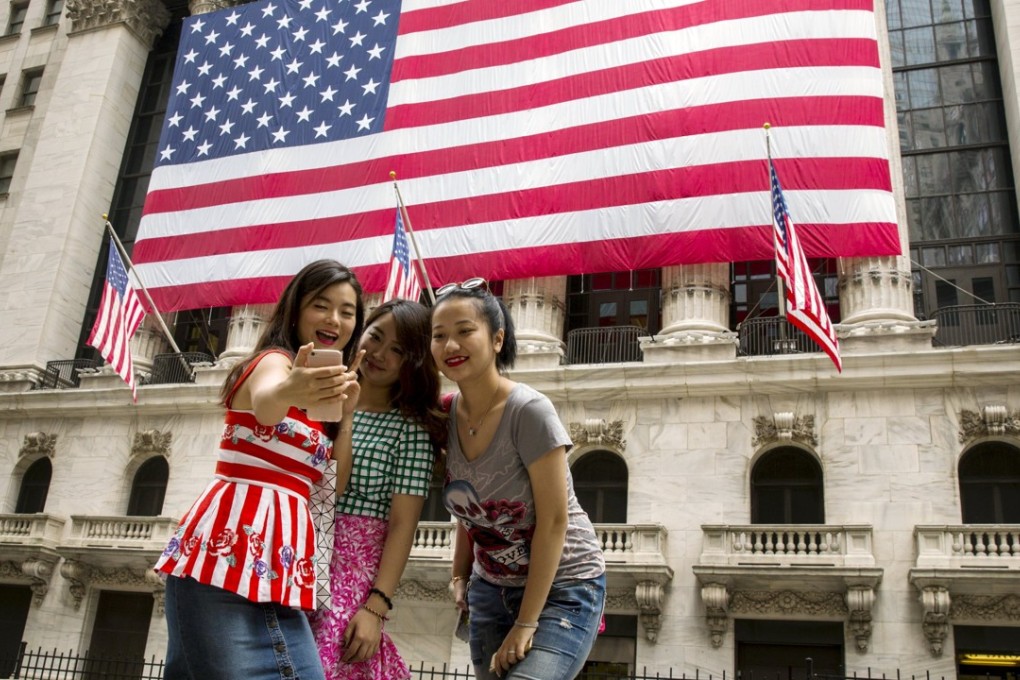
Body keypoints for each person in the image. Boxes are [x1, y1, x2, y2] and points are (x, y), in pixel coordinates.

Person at [154, 259, 366, 680]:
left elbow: (331, 485)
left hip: (281, 576)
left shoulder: (323, 398)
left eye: (347, 311)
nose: (334, 319)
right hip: (222, 566)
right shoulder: (274, 361)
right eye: (321, 305)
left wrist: (346, 416)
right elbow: (268, 404)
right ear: (295, 308)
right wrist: (291, 388)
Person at [430, 279, 606, 680]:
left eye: (464, 331)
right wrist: (461, 575)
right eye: (439, 336)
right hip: (489, 589)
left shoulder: (530, 411)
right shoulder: (443, 415)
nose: (450, 346)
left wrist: (527, 623)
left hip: (566, 586)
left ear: (497, 339)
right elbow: (468, 508)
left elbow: (555, 521)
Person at [310, 298, 446, 680]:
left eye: (398, 351)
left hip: (352, 572)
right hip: (298, 558)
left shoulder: (411, 429)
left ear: (414, 362)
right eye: (376, 337)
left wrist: (375, 606)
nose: (380, 354)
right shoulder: (316, 404)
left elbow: (404, 524)